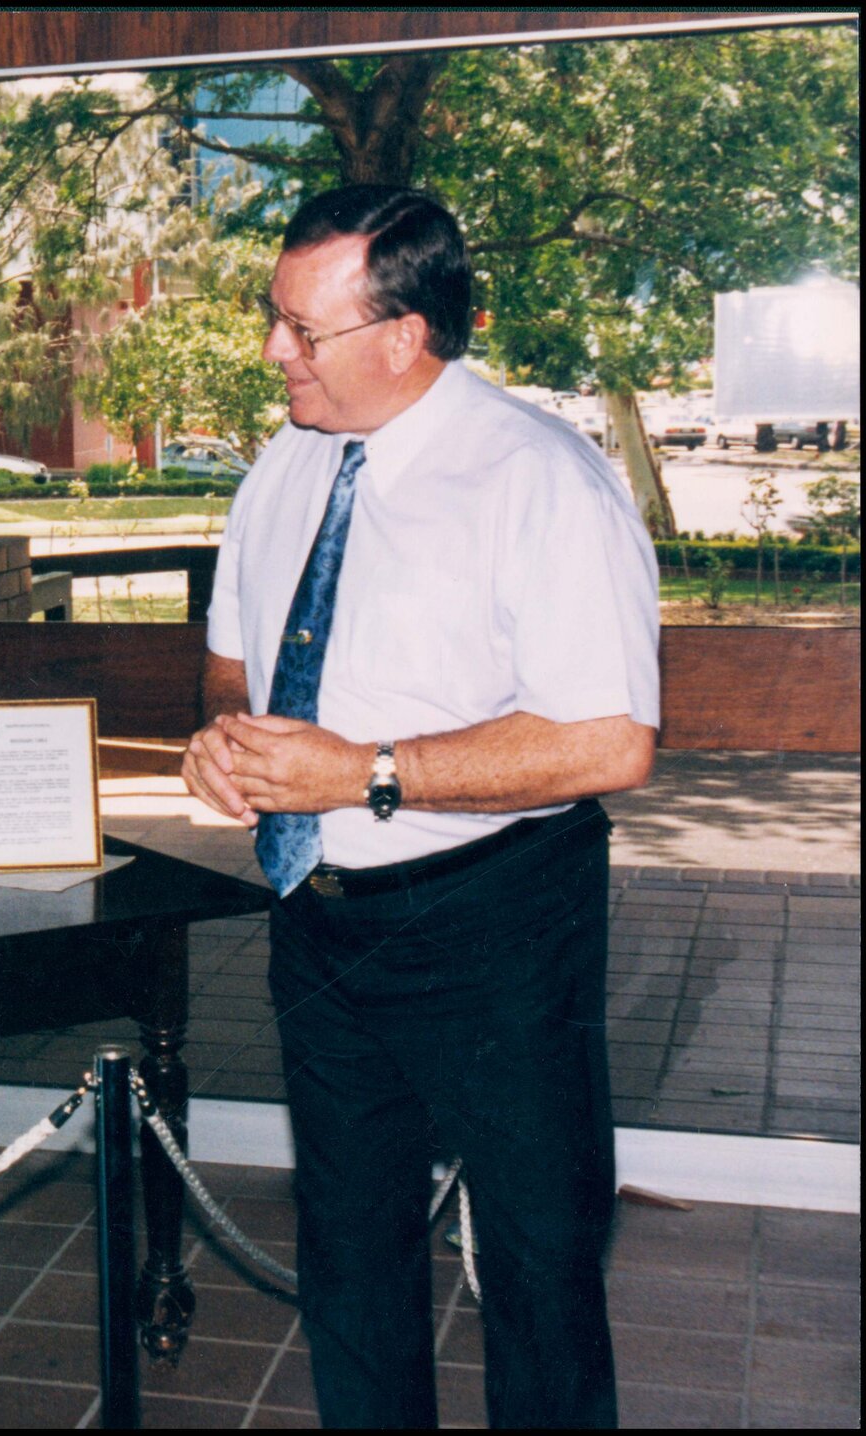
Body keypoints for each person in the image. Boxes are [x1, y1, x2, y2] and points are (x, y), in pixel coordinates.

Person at [183, 186, 659, 1429]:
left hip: (497, 920)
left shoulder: (538, 478)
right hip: (319, 917)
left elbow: (609, 739)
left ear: (402, 335)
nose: (273, 349)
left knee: (539, 1265)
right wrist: (224, 740)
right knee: (348, 1258)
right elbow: (231, 661)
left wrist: (364, 772)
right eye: (273, 316)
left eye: (302, 328)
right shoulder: (283, 465)